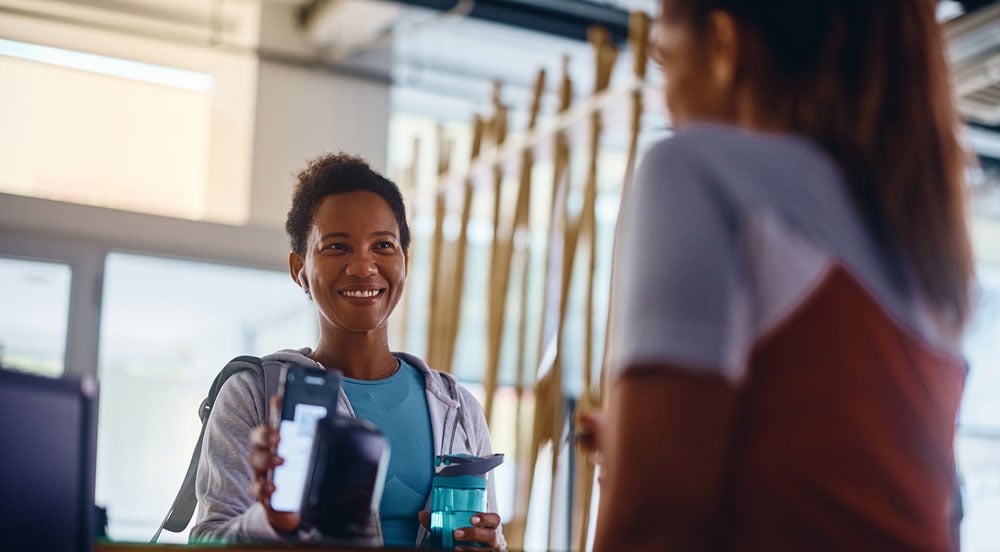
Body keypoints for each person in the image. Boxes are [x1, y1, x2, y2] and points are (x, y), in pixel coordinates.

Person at [590, 1, 974, 550]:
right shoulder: (919, 247)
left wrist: (643, 466)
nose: (666, 100)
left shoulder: (696, 170)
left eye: (665, 62)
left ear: (724, 45)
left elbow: (654, 527)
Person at [190, 153, 506, 550]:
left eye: (383, 245)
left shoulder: (457, 407)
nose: (363, 266)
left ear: (405, 261)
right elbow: (206, 540)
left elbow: (493, 538)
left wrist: (487, 545)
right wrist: (271, 521)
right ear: (299, 268)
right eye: (337, 246)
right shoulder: (254, 393)